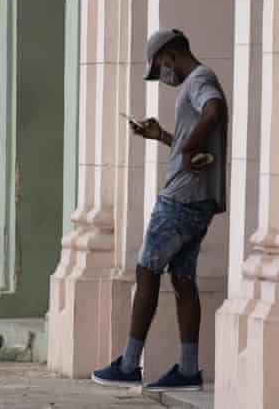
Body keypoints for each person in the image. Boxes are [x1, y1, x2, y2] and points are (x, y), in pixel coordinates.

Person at [92, 28, 228, 391]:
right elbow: (195, 135)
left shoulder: (199, 79)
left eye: (159, 68)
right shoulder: (197, 83)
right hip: (200, 199)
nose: (162, 76)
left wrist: (191, 145)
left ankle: (128, 363)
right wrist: (165, 137)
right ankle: (187, 370)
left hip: (180, 197)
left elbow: (215, 108)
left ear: (169, 54)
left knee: (146, 270)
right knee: (183, 279)